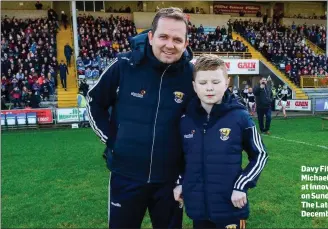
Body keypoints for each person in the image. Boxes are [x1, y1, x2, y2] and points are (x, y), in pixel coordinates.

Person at [87, 7, 195, 228]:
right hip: (125, 174)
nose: (169, 44)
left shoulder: (191, 76)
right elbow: (93, 101)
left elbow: (218, 103)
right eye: (163, 36)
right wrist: (111, 139)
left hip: (170, 181)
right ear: (151, 36)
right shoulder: (124, 65)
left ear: (185, 43)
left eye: (177, 39)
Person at [174, 54, 268, 229]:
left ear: (227, 82)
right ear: (194, 86)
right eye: (203, 83)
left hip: (231, 207)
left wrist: (241, 185)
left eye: (216, 82)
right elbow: (179, 158)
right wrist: (180, 182)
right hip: (198, 209)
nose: (209, 88)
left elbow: (260, 155)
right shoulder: (185, 119)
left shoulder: (241, 117)